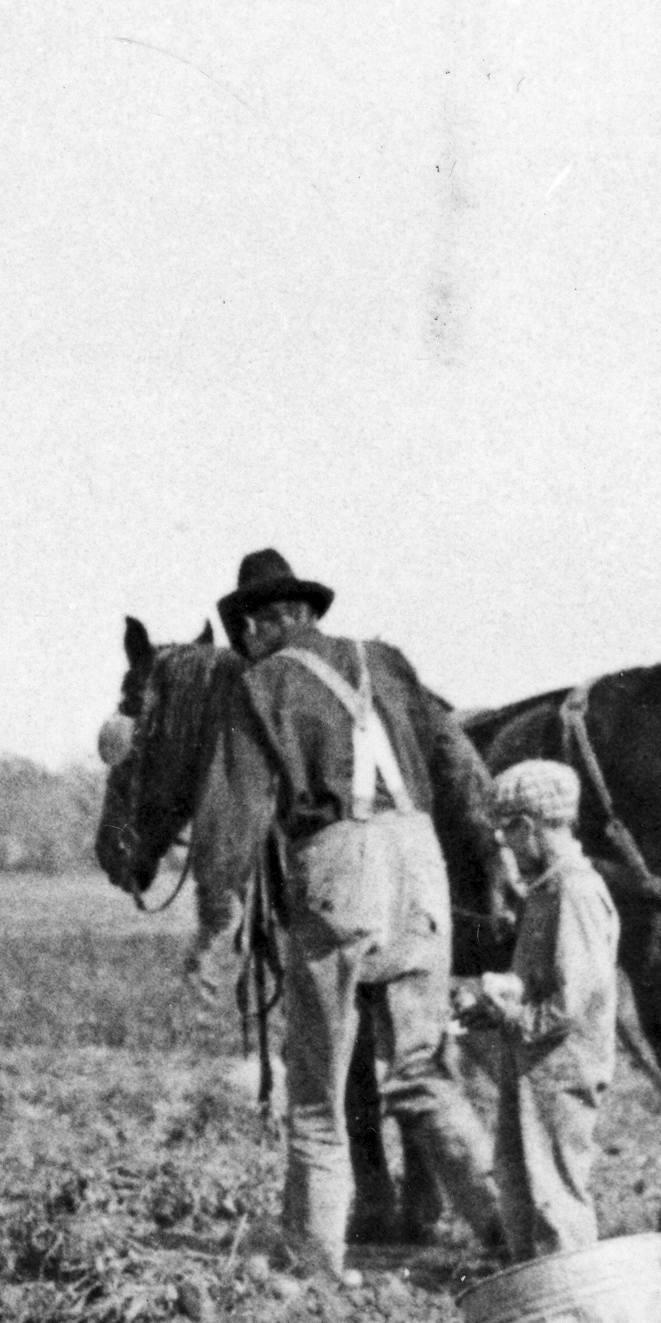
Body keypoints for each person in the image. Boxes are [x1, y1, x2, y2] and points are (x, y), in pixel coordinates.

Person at [200, 548, 511, 1282]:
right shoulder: (386, 662)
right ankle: (509, 1228)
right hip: (422, 863)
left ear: (254, 626)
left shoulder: (262, 683)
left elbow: (234, 817)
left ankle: (313, 1260)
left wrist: (218, 926)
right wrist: (493, 854)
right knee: (425, 1073)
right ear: (307, 612)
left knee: (317, 1093)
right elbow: (460, 761)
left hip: (340, 866)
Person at [456, 760, 619, 1257]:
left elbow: (570, 1001)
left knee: (555, 1196)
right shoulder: (548, 889)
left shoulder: (575, 891)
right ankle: (537, 1296)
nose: (504, 846)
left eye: (507, 833)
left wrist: (511, 1014)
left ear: (528, 827)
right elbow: (540, 978)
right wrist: (497, 994)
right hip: (534, 1067)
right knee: (520, 1183)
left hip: (560, 1071)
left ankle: (571, 1300)